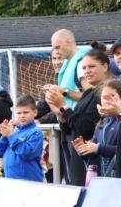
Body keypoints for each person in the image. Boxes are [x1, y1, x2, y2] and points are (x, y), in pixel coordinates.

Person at [44, 42, 110, 186]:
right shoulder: (88, 93)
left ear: (105, 66)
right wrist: (59, 113)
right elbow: (73, 126)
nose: (87, 71)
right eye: (84, 68)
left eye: (92, 67)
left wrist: (63, 106)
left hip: (94, 163)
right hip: (80, 160)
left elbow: (87, 128)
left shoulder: (106, 93)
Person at [74, 79, 121, 180]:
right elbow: (93, 153)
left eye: (112, 96)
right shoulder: (101, 123)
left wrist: (98, 148)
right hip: (104, 177)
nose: (107, 99)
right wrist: (83, 149)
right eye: (104, 97)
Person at [0, 95, 44, 182]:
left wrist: (11, 135)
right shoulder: (14, 130)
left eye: (26, 112)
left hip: (29, 181)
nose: (22, 116)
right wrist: (5, 135)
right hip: (10, 179)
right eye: (19, 113)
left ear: (35, 112)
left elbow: (27, 153)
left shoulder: (36, 132)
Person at [51, 29, 88, 107]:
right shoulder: (68, 64)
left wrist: (64, 91)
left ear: (68, 42)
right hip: (70, 116)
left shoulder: (82, 63)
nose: (56, 51)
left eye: (57, 47)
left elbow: (89, 96)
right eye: (54, 48)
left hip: (81, 117)